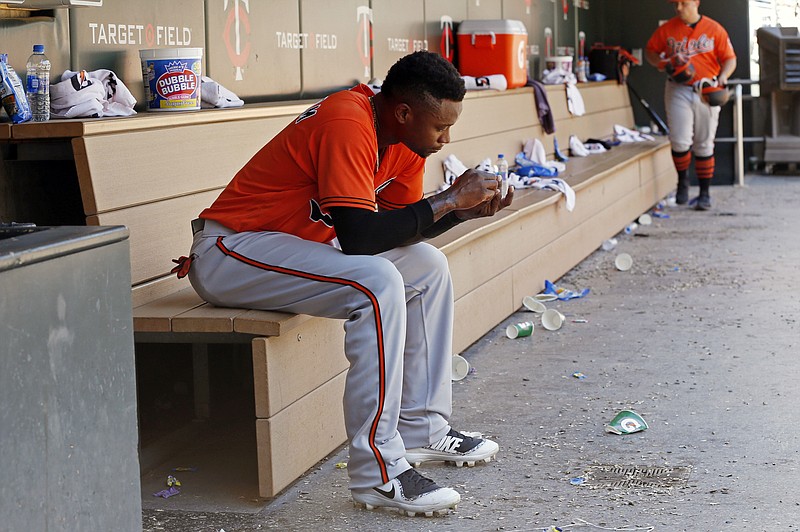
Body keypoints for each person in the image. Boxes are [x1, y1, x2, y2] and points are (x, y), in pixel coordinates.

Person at [173, 51, 512, 516]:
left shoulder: (406, 144)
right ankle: (378, 472)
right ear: (404, 112)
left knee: (426, 266)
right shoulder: (347, 118)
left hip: (291, 253)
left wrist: (457, 210)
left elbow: (398, 228)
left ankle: (422, 431)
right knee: (376, 281)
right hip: (231, 253)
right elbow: (359, 240)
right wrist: (449, 197)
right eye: (439, 128)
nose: (445, 139)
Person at [645, 0, 736, 210]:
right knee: (679, 140)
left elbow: (730, 59)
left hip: (706, 89)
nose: (678, 8)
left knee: (704, 142)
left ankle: (705, 193)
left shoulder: (714, 28)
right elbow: (650, 51)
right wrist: (663, 63)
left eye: (683, 3)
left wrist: (723, 77)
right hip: (678, 88)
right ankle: (683, 183)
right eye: (675, 3)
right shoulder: (667, 28)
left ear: (696, 2)